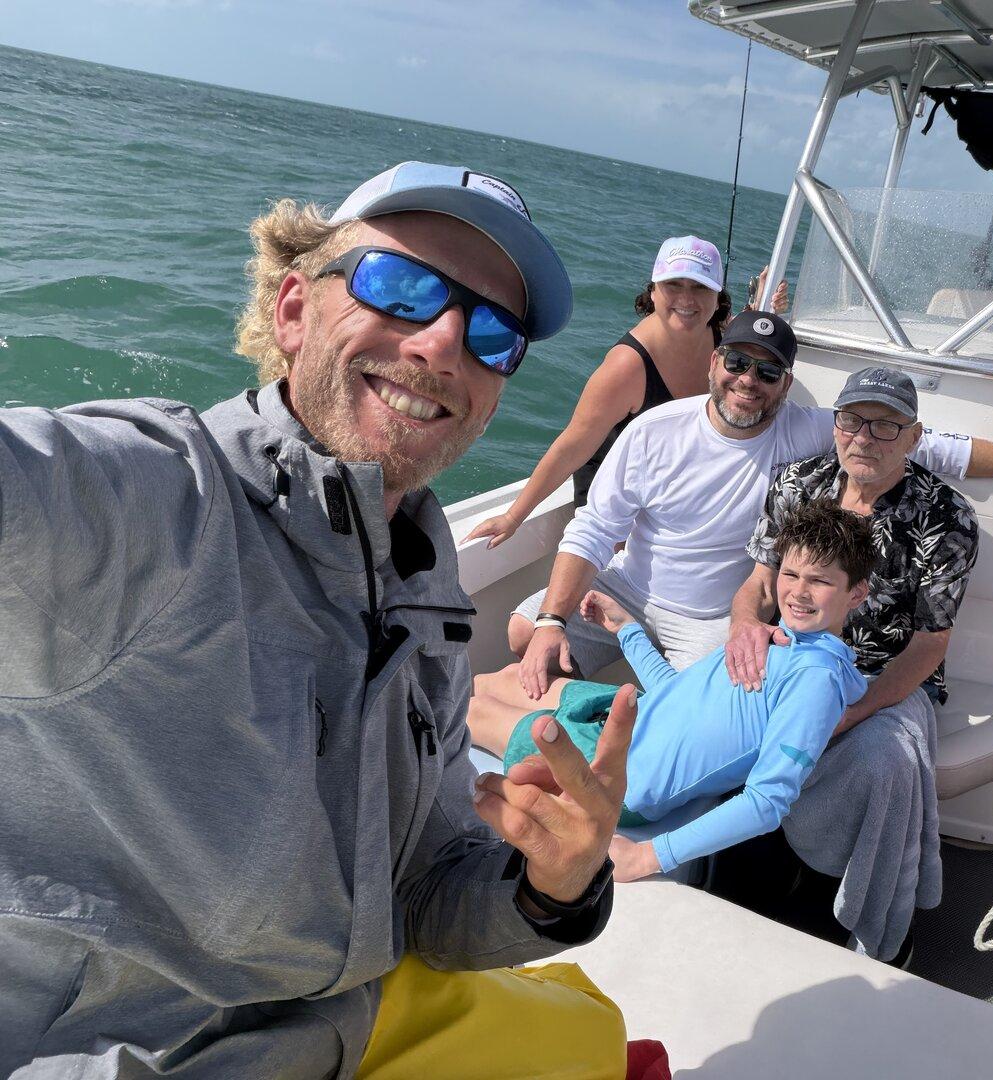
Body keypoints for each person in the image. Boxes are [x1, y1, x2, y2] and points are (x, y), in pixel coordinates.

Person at [0, 161, 627, 1077]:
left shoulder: (424, 584)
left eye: (493, 332)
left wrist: (551, 888)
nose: (444, 342)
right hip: (117, 1053)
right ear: (293, 309)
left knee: (594, 1034)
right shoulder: (156, 500)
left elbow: (422, 891)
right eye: (402, 287)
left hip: (333, 1023)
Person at [504, 309, 993, 702]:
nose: (748, 380)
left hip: (709, 620)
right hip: (629, 585)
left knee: (718, 701)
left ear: (786, 383)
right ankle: (573, 730)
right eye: (736, 362)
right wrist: (554, 617)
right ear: (713, 363)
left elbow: (938, 447)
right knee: (523, 634)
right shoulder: (654, 430)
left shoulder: (819, 431)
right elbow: (594, 527)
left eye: (768, 369)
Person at [726, 366, 990, 961]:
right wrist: (744, 628)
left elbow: (929, 643)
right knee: (731, 725)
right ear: (836, 423)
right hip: (794, 655)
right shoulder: (797, 484)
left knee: (880, 762)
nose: (864, 437)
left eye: (886, 425)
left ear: (914, 435)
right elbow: (760, 585)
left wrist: (852, 712)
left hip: (886, 675)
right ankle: (744, 888)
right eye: (852, 420)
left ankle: (851, 911)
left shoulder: (945, 518)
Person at [469, 502, 873, 883]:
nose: (798, 593)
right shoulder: (771, 639)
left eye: (819, 581)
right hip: (628, 714)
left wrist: (648, 856)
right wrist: (628, 630)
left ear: (856, 593)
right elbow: (680, 697)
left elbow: (768, 802)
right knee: (502, 678)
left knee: (474, 711)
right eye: (790, 574)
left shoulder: (815, 682)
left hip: (615, 773)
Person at [463, 236, 787, 546]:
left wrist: (760, 306)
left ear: (717, 298)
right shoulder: (627, 367)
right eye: (673, 284)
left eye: (700, 287)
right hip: (614, 502)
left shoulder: (723, 341)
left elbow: (748, 338)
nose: (687, 299)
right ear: (654, 292)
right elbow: (574, 444)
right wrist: (513, 515)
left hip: (671, 488)